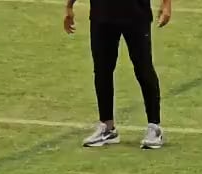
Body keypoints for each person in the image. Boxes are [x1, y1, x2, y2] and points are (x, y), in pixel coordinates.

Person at [64, 0, 172, 149]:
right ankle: (107, 127)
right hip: (102, 15)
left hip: (135, 14)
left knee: (143, 69)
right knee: (102, 70)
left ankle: (154, 127)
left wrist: (166, 4)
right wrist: (69, 5)